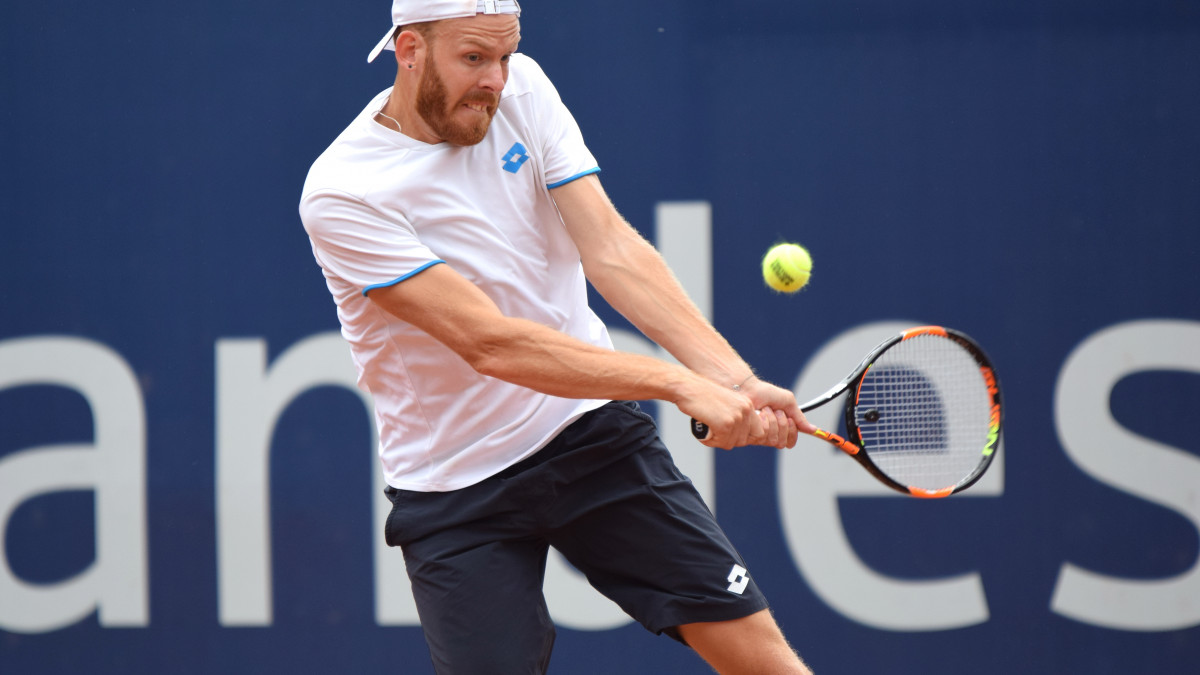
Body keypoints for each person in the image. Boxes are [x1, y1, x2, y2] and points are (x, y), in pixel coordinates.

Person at [300, 1, 815, 673]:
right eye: (474, 58)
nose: (495, 79)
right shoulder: (344, 193)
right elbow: (490, 343)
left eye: (506, 56)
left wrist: (732, 378)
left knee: (760, 659)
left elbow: (611, 250)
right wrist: (678, 382)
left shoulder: (526, 91)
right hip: (455, 488)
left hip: (588, 437)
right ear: (409, 51)